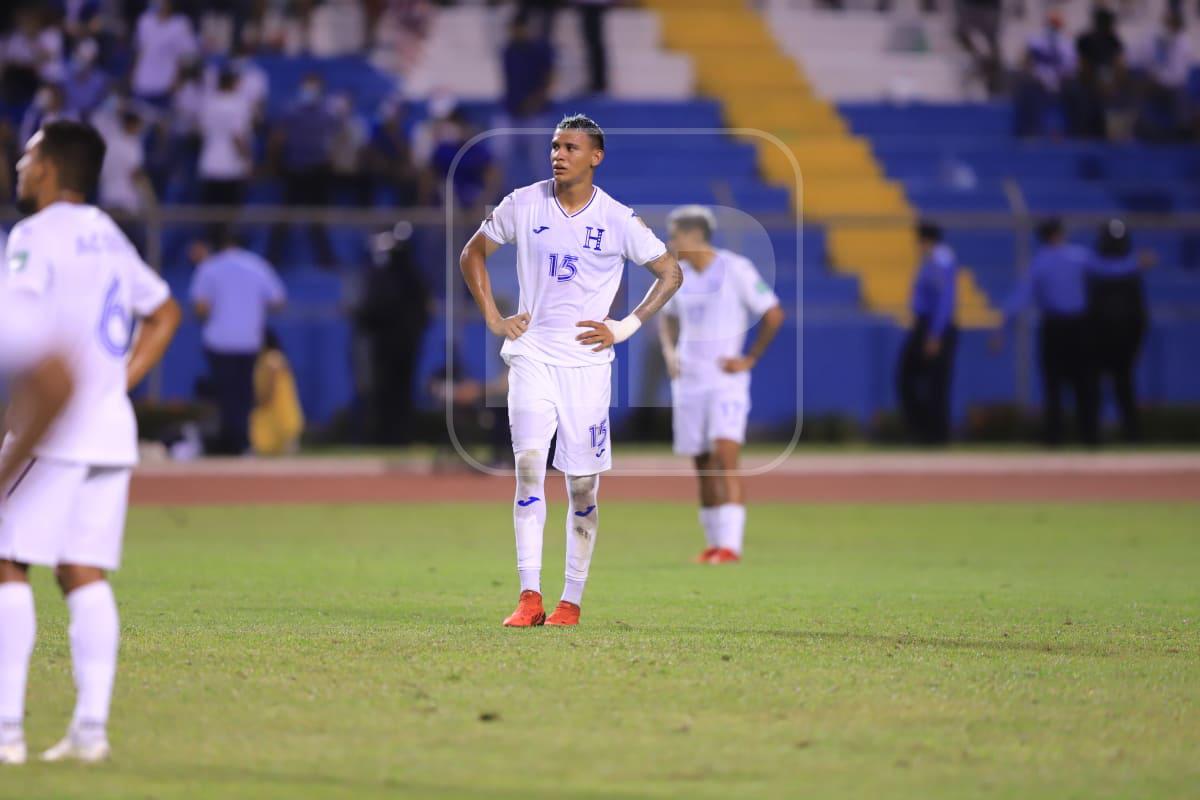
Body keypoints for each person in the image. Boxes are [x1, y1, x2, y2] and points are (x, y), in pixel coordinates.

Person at [0, 120, 181, 765]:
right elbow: (164, 311)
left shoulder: (30, 238)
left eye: (26, 156)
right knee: (82, 572)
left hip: (53, 430)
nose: (18, 167)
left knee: (7, 564)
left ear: (47, 167)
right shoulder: (108, 233)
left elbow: (40, 365)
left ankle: (7, 732)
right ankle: (89, 730)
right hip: (108, 430)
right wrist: (117, 383)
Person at [459, 113, 682, 627]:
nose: (558, 154)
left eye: (570, 147)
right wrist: (494, 317)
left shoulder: (619, 219)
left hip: (586, 367)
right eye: (555, 146)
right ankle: (529, 596)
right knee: (529, 469)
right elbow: (473, 253)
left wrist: (625, 327)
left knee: (582, 486)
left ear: (595, 157)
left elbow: (671, 271)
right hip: (532, 357)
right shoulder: (523, 202)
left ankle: (571, 600)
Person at [658, 205, 784, 565]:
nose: (671, 241)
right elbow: (666, 319)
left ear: (695, 236)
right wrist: (670, 353)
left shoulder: (737, 269)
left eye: (676, 235)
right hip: (689, 383)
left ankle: (732, 545)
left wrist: (750, 358)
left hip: (725, 382)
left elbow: (773, 312)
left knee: (725, 458)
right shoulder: (676, 276)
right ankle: (714, 544)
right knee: (702, 464)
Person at [994, 218, 1099, 446]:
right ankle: (1090, 435)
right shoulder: (1080, 256)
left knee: (1053, 384)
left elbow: (1020, 296)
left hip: (1055, 327)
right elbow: (1108, 270)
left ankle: (1055, 436)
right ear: (1060, 233)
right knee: (1084, 383)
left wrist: (1003, 323)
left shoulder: (1040, 262)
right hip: (1080, 326)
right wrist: (1134, 262)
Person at [190, 228, 287, 455]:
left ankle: (229, 443)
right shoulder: (256, 265)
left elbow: (200, 308)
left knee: (224, 394)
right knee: (243, 395)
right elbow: (278, 300)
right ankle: (242, 443)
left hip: (219, 341)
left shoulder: (210, 267)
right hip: (248, 340)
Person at [1086, 219, 1153, 442]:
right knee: (1096, 388)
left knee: (1123, 387)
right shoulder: (1097, 269)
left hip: (1121, 342)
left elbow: (1139, 316)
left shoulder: (1129, 276)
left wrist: (1136, 343)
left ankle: (1131, 435)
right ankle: (1092, 436)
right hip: (1099, 341)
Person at [897, 221, 959, 445]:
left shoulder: (940, 259)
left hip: (933, 326)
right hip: (927, 325)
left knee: (932, 381)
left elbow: (944, 299)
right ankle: (927, 431)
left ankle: (933, 433)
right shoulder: (934, 259)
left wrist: (935, 333)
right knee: (917, 379)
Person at [268, 73, 336, 267]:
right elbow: (277, 139)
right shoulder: (291, 111)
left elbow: (333, 141)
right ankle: (273, 257)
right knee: (285, 216)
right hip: (295, 169)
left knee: (318, 218)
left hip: (317, 170)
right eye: (308, 86)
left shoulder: (326, 113)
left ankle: (325, 258)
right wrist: (274, 165)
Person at [1013, 11, 1075, 138]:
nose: (1052, 27)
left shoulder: (1066, 43)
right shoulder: (1036, 40)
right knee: (1028, 90)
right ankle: (1029, 132)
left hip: (1060, 83)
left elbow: (1071, 68)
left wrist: (1059, 79)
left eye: (1055, 24)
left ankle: (1066, 133)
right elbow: (1023, 61)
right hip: (1037, 83)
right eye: (1051, 23)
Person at [131, 0, 198, 107]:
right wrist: (134, 75)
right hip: (142, 83)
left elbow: (189, 56)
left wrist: (179, 80)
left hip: (165, 86)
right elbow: (140, 51)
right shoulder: (145, 20)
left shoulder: (180, 24)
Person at [249, 330, 305, 456]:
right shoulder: (268, 358)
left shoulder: (272, 359)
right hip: (274, 410)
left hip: (275, 410)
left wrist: (262, 399)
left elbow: (270, 387)